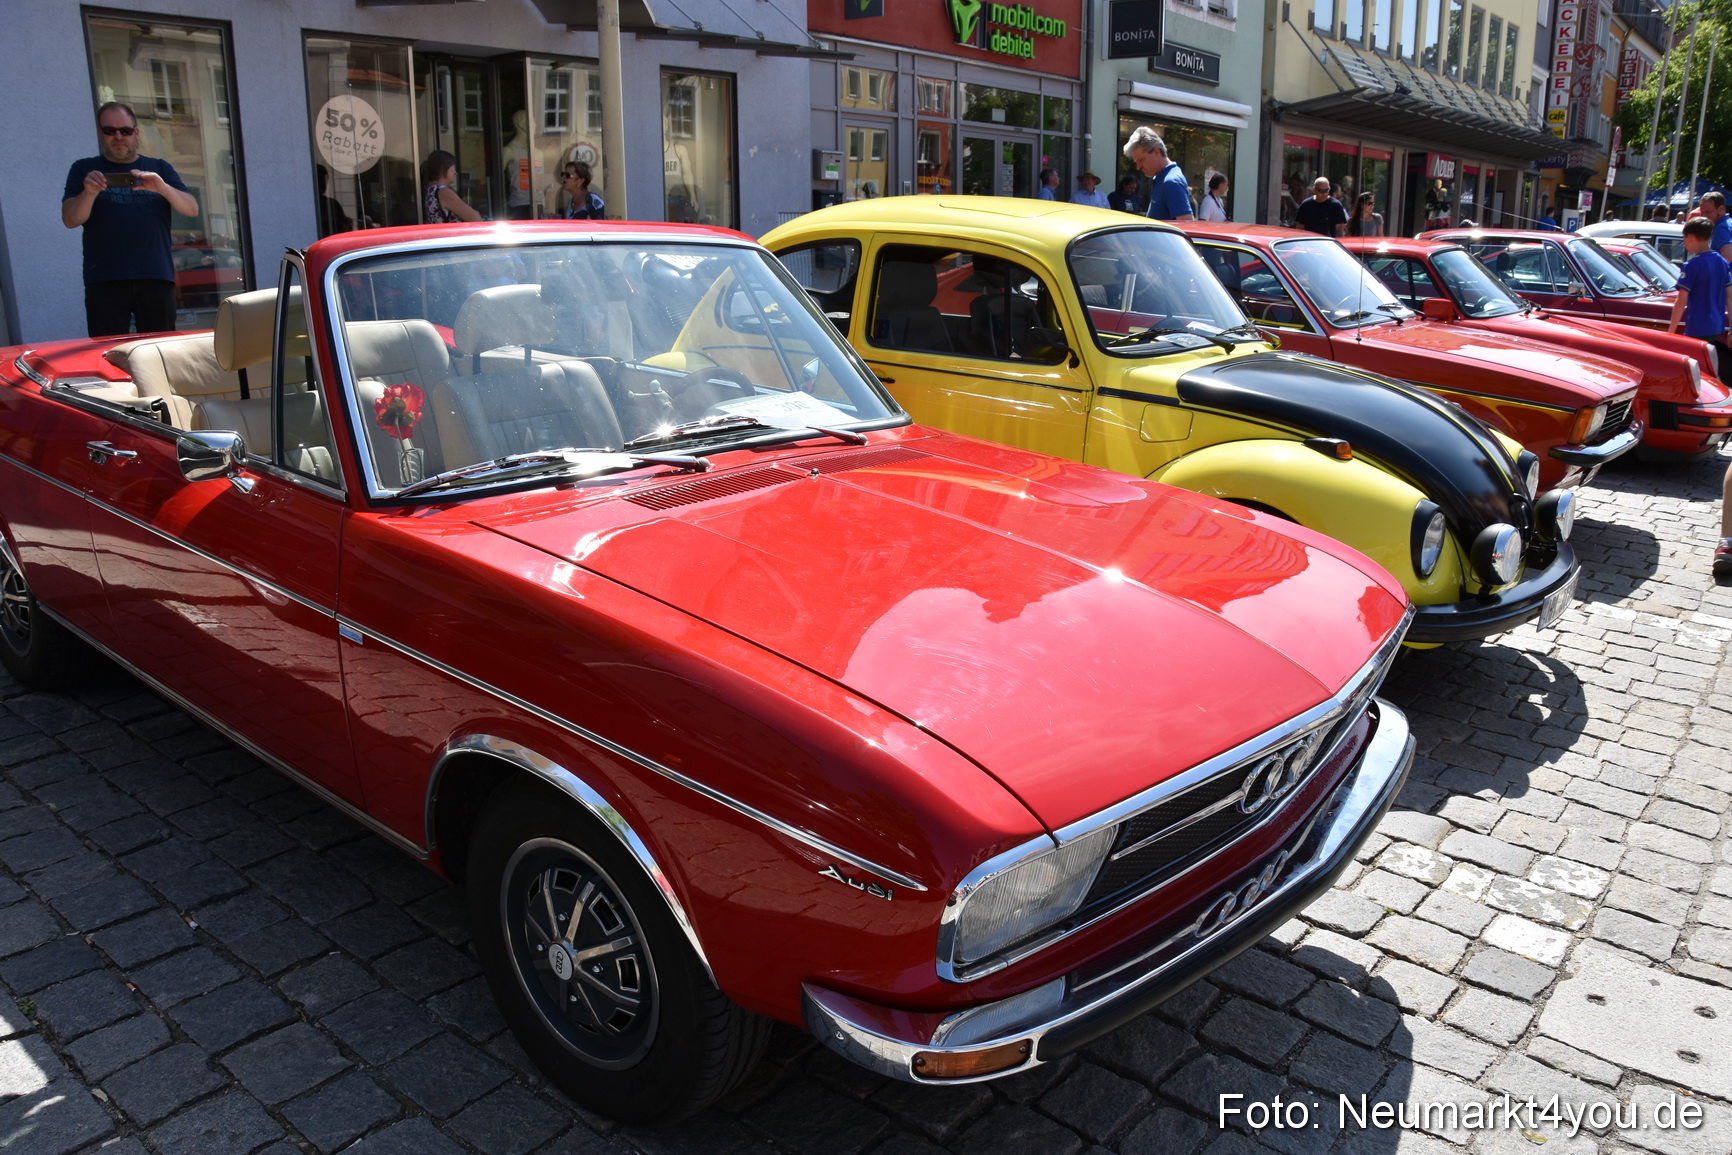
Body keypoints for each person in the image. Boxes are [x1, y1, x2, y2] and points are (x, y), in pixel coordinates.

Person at [61, 101, 199, 338]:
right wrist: (90, 192)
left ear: (136, 133)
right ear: (99, 132)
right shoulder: (84, 169)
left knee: (160, 351)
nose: (118, 137)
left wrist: (162, 188)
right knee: (108, 351)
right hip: (105, 278)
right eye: (109, 130)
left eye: (124, 130)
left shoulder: (158, 169)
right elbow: (70, 219)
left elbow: (192, 209)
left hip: (155, 275)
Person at [1122, 127, 1193, 221]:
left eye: (1141, 160)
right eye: (1136, 162)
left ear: (1156, 152)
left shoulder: (1171, 182)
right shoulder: (1162, 178)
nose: (1138, 167)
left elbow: (1187, 225)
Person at [423, 151, 483, 224]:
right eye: (453, 167)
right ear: (442, 168)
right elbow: (475, 217)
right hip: (452, 234)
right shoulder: (444, 192)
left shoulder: (431, 189)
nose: (455, 172)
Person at [1696, 191, 1732, 261]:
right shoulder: (1729, 223)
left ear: (1721, 209)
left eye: (1708, 212)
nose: (1704, 216)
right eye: (1702, 212)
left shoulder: (1721, 228)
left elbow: (1727, 256)